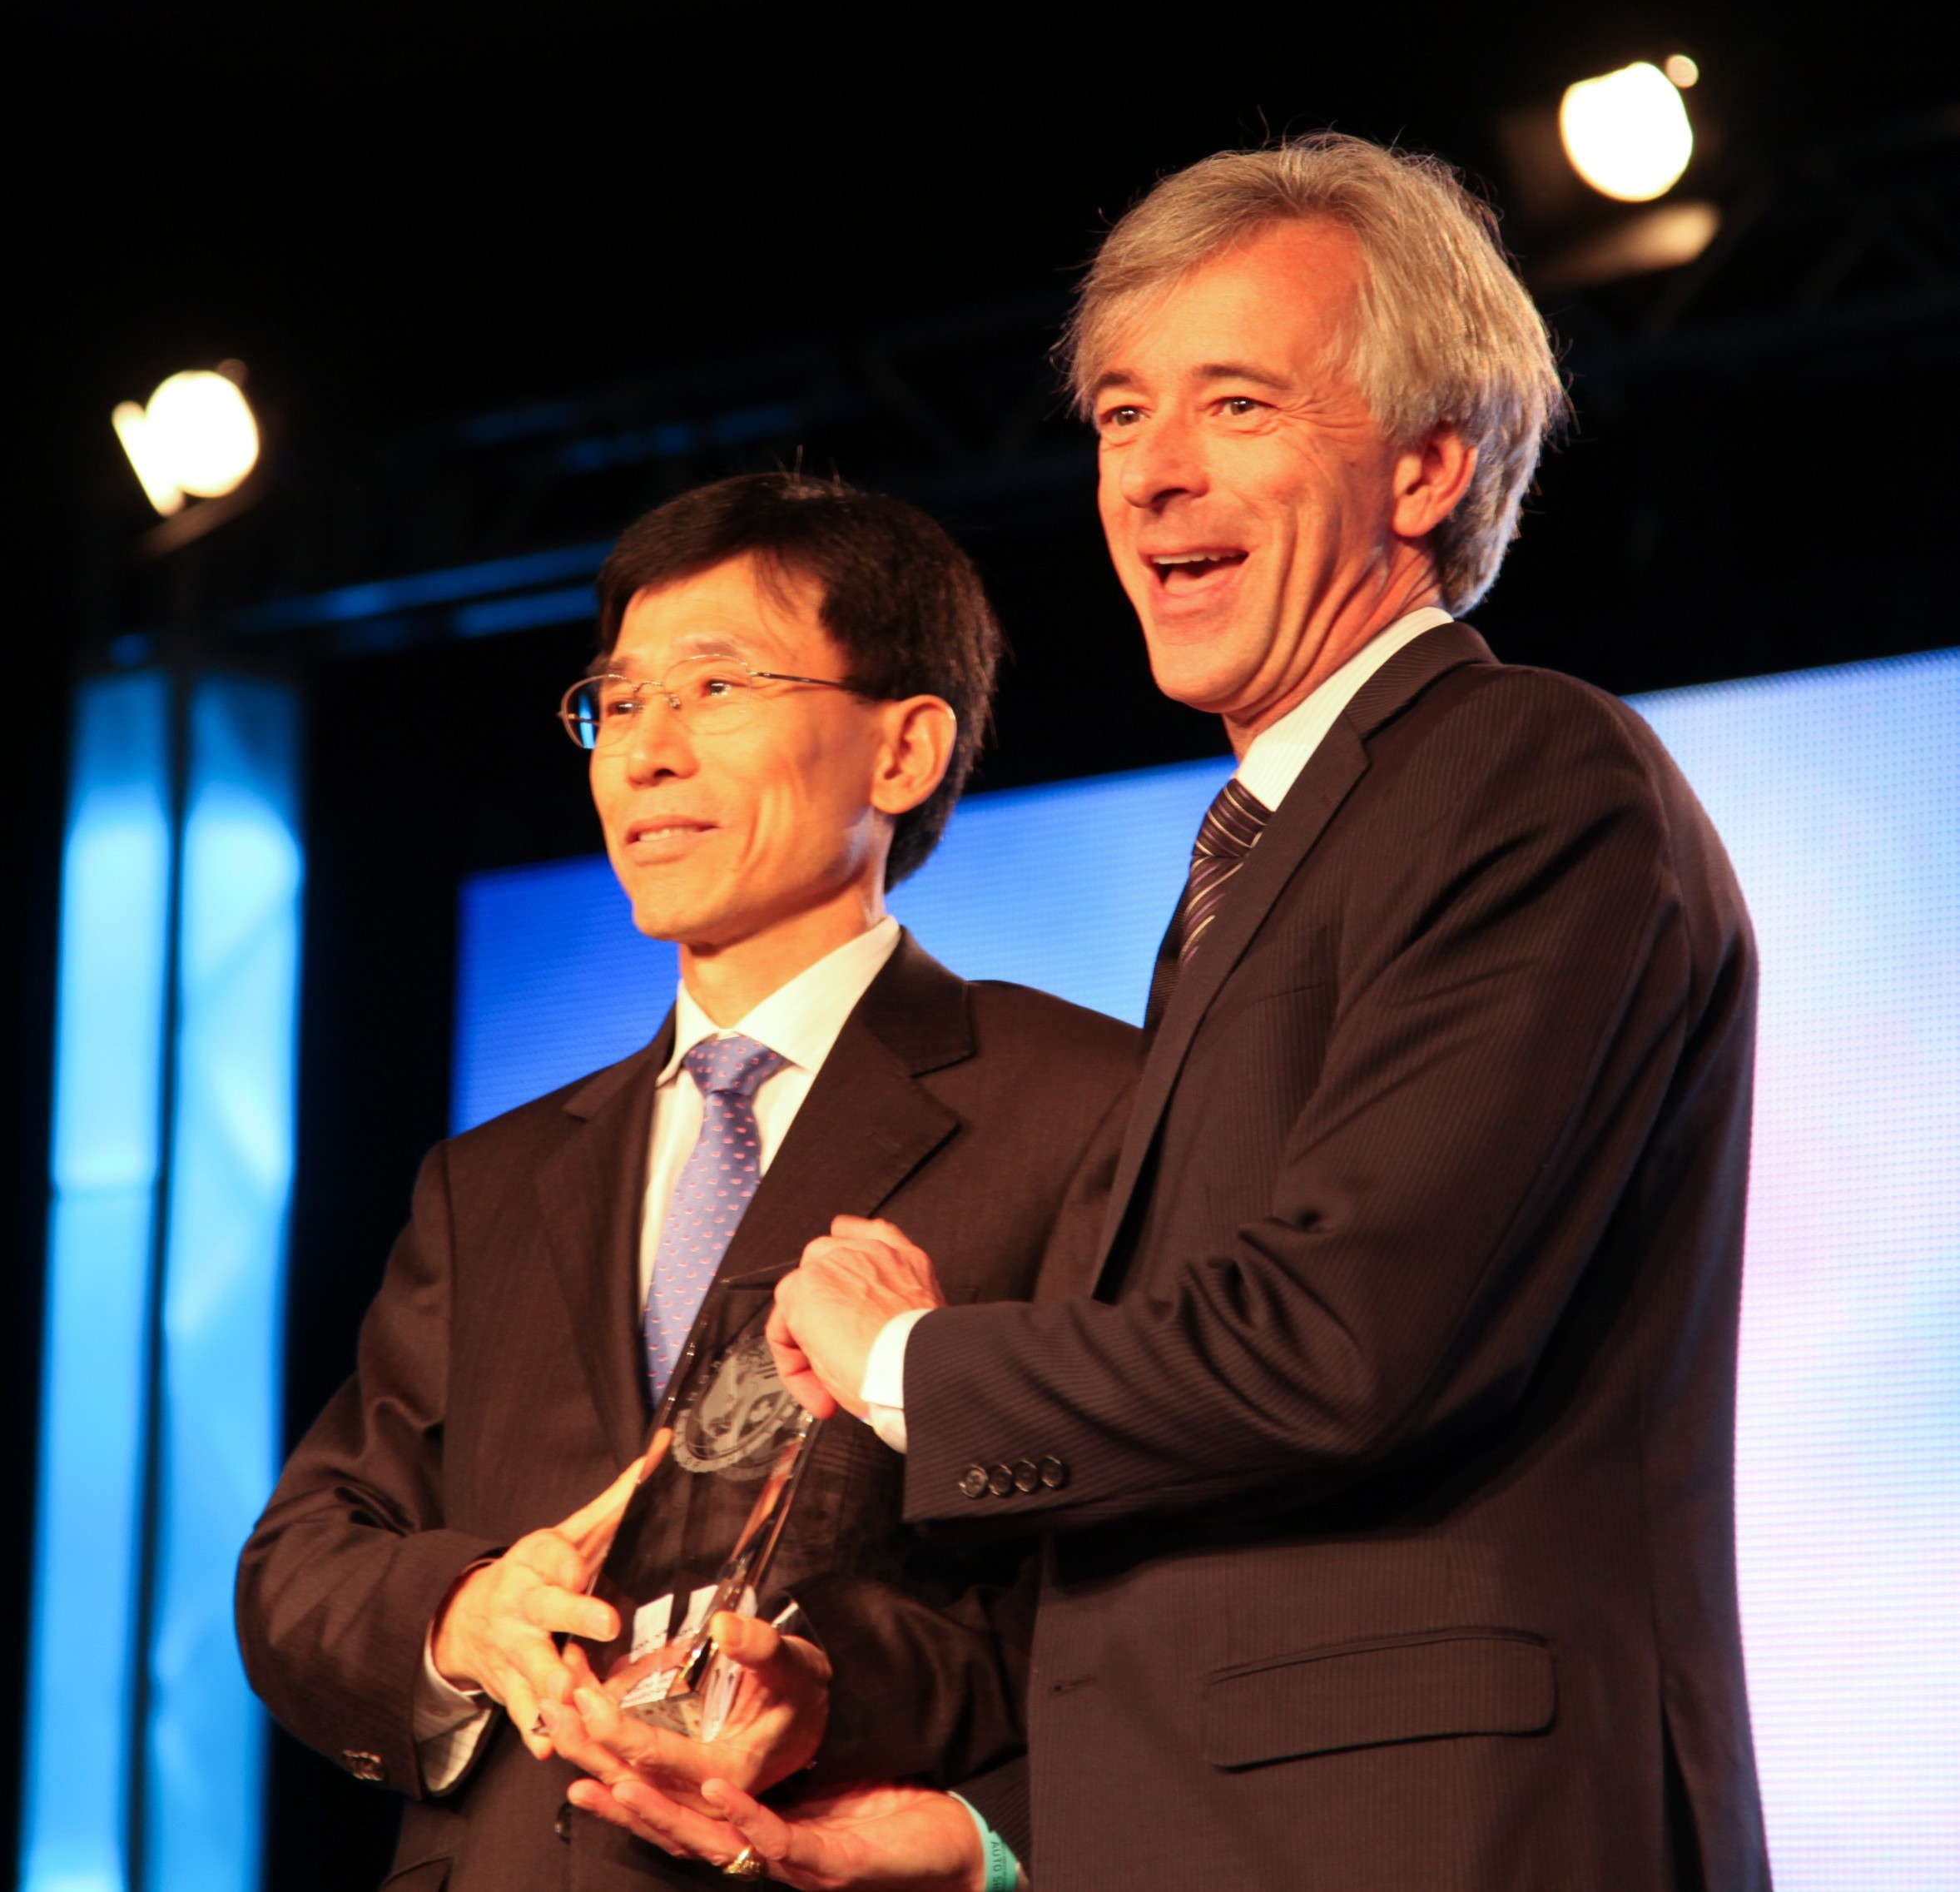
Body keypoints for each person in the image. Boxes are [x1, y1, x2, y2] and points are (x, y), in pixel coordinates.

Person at [662, 136, 1769, 1890]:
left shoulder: (1524, 777)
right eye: (1117, 414)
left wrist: (906, 1361)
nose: (1153, 476)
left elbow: (1336, 1343)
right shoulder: (1264, 855)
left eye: (1234, 404)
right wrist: (978, 1835)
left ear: (1424, 463)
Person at [236, 473, 1139, 1890]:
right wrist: (462, 1614)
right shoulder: (496, 1177)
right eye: (618, 700)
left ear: (902, 749)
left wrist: (844, 1691)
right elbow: (303, 1560)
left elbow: (1132, 1609)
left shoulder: (1084, 1105)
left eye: (717, 688)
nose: (644, 753)